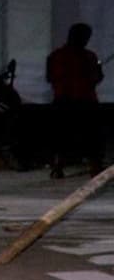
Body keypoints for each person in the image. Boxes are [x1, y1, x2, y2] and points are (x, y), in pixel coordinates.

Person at [47, 22, 105, 178]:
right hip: (80, 101)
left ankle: (59, 166)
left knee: (64, 135)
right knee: (89, 136)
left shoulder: (56, 55)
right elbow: (97, 77)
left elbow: (50, 77)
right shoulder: (89, 56)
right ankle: (94, 166)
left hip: (67, 101)